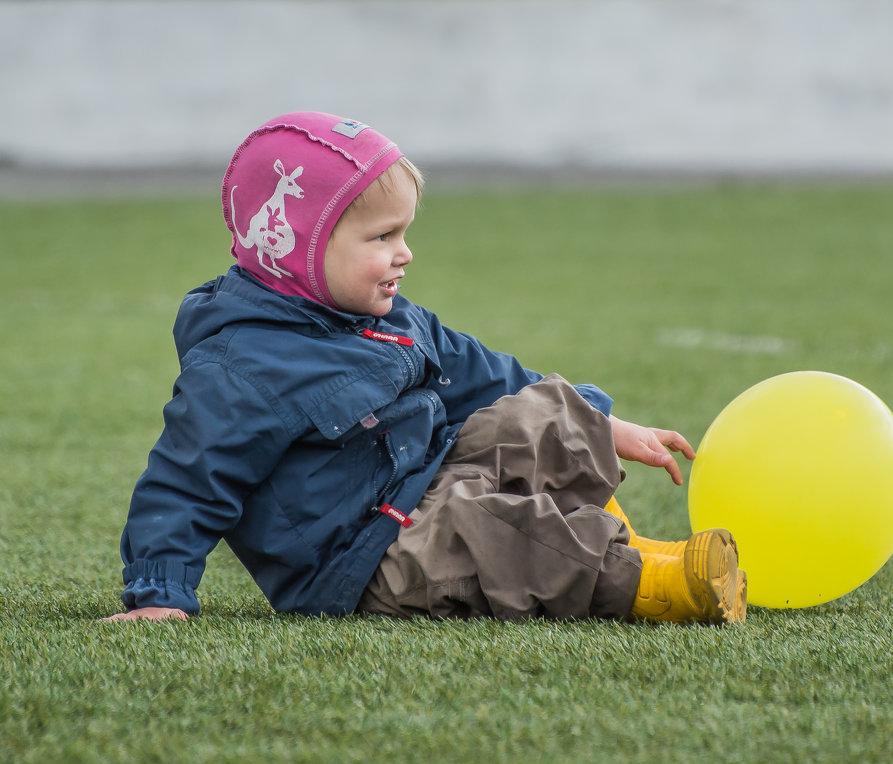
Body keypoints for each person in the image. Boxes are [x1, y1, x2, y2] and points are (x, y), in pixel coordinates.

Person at [104, 111, 746, 626]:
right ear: (298, 251)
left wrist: (605, 425)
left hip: (425, 477)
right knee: (493, 530)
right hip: (369, 557)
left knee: (543, 408)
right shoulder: (241, 366)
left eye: (403, 233)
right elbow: (186, 484)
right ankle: (654, 580)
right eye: (381, 238)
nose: (403, 254)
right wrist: (160, 594)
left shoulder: (386, 317)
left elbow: (484, 374)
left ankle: (616, 541)